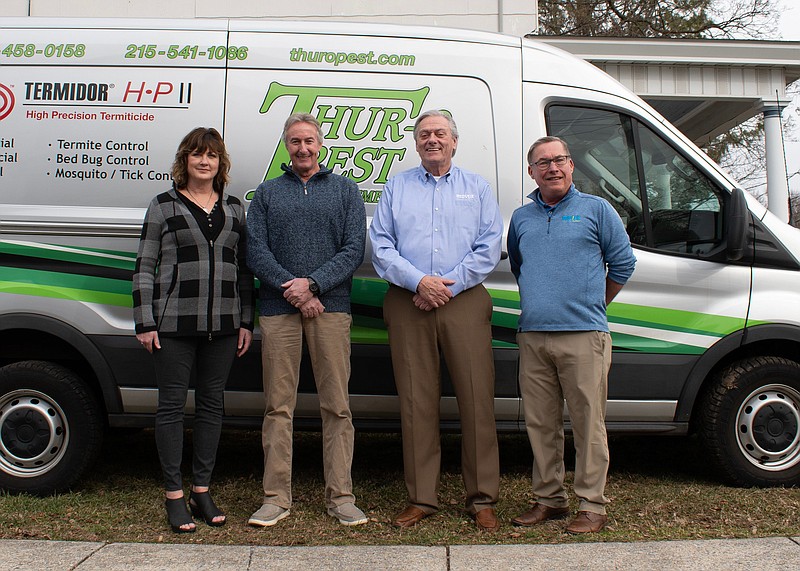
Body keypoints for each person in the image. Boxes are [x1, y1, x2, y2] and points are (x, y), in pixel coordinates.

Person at [369, 110, 503, 532]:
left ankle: (482, 498)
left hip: (462, 299)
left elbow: (488, 245)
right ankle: (421, 497)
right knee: (415, 401)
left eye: (440, 133)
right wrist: (419, 282)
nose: (432, 140)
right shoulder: (397, 186)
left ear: (454, 141)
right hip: (409, 300)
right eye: (424, 134)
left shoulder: (476, 187)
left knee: (477, 400)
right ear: (416, 142)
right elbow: (381, 245)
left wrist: (447, 285)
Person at [507, 136, 636, 534]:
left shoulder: (596, 210)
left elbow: (623, 263)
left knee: (588, 423)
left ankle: (592, 505)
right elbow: (519, 265)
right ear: (532, 172)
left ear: (572, 166)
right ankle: (549, 499)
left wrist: (592, 305)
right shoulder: (521, 218)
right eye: (543, 162)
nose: (553, 168)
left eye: (560, 159)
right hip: (533, 336)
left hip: (584, 335)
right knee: (541, 424)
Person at [246, 113, 368, 528]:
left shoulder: (346, 191)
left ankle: (342, 497)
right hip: (280, 311)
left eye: (309, 141)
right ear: (286, 145)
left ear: (321, 144)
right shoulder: (265, 194)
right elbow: (255, 252)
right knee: (278, 408)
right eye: (295, 141)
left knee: (337, 407)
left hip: (330, 310)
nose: (303, 148)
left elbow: (354, 249)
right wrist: (293, 290)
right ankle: (275, 497)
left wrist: (313, 286)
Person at [132, 127, 255, 533]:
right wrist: (144, 321)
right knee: (170, 408)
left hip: (222, 326)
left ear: (221, 163)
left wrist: (245, 321)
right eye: (197, 154)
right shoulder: (163, 205)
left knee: (211, 408)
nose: (205, 161)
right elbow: (144, 265)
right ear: (184, 160)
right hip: (172, 326)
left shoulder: (235, 208)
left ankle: (201, 489)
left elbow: (244, 271)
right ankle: (173, 494)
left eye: (212, 156)